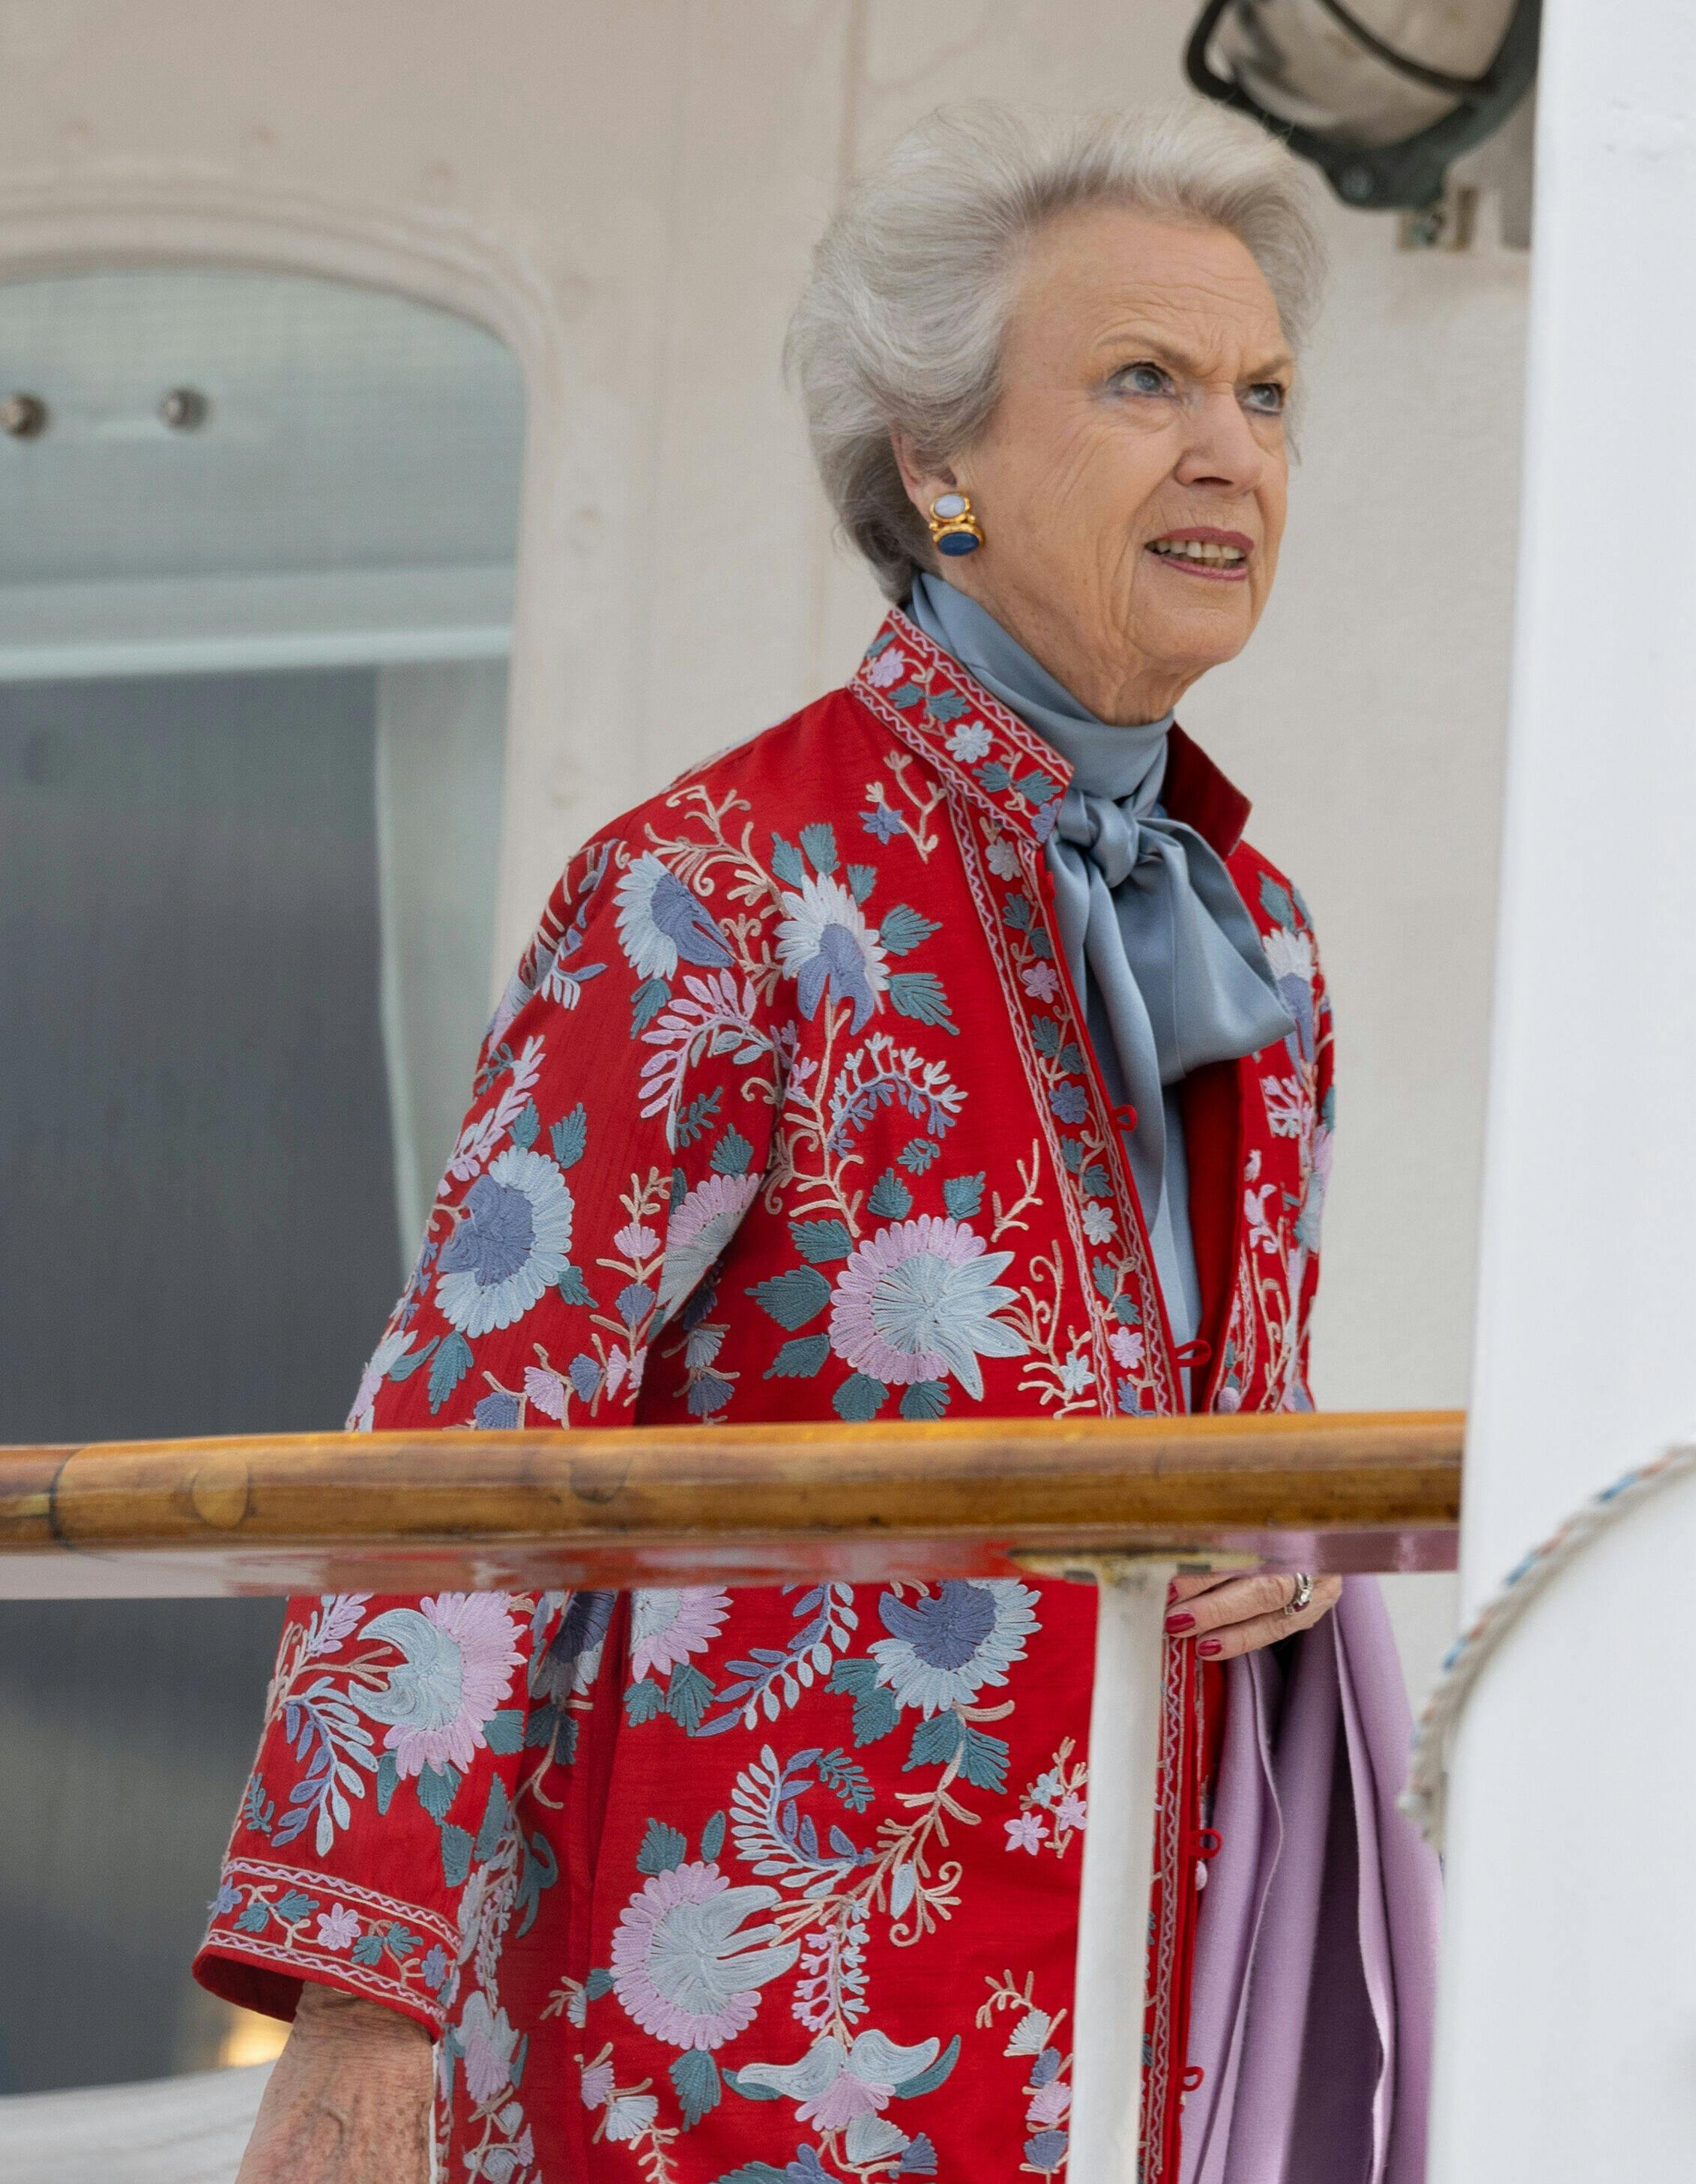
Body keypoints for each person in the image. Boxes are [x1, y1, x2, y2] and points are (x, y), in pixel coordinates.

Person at [200, 99, 1440, 2184]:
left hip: (1157, 1996)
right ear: (933, 464)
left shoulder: (1257, 937)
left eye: (1263, 393)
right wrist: (356, 2001)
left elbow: (1221, 1420)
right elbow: (456, 1432)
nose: (1228, 449)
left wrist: (1295, 1529)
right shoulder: (714, 885)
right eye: (1141, 380)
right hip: (744, 2028)